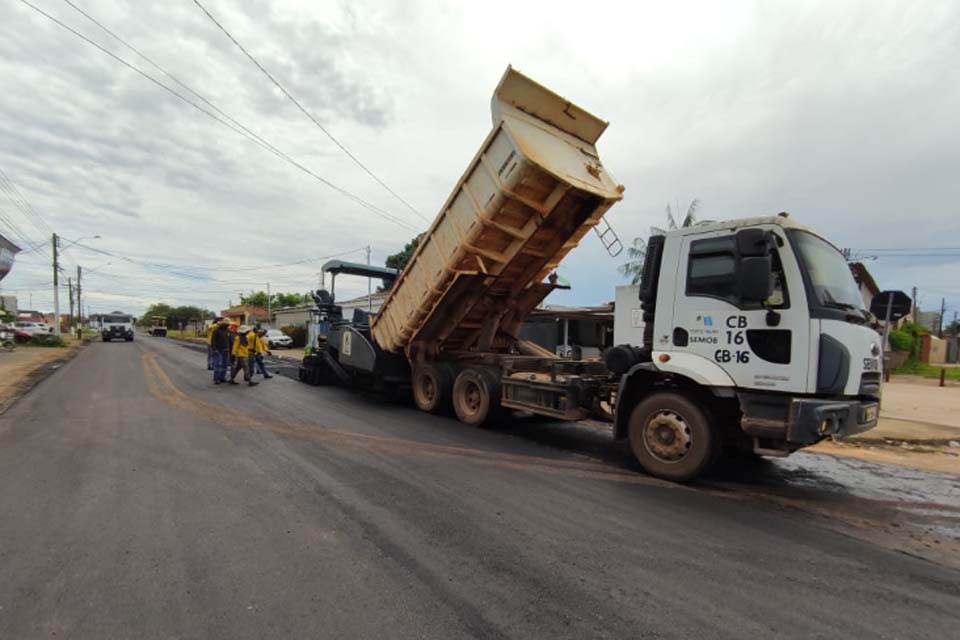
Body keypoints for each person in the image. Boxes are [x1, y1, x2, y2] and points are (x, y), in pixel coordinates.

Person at [211, 320, 232, 384]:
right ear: (223, 324)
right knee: (218, 365)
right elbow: (213, 341)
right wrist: (214, 349)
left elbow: (229, 341)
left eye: (228, 324)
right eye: (226, 324)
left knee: (224, 365)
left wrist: (230, 349)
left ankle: (222, 377)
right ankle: (216, 378)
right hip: (218, 350)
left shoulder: (228, 331)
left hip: (226, 350)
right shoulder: (216, 331)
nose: (228, 325)